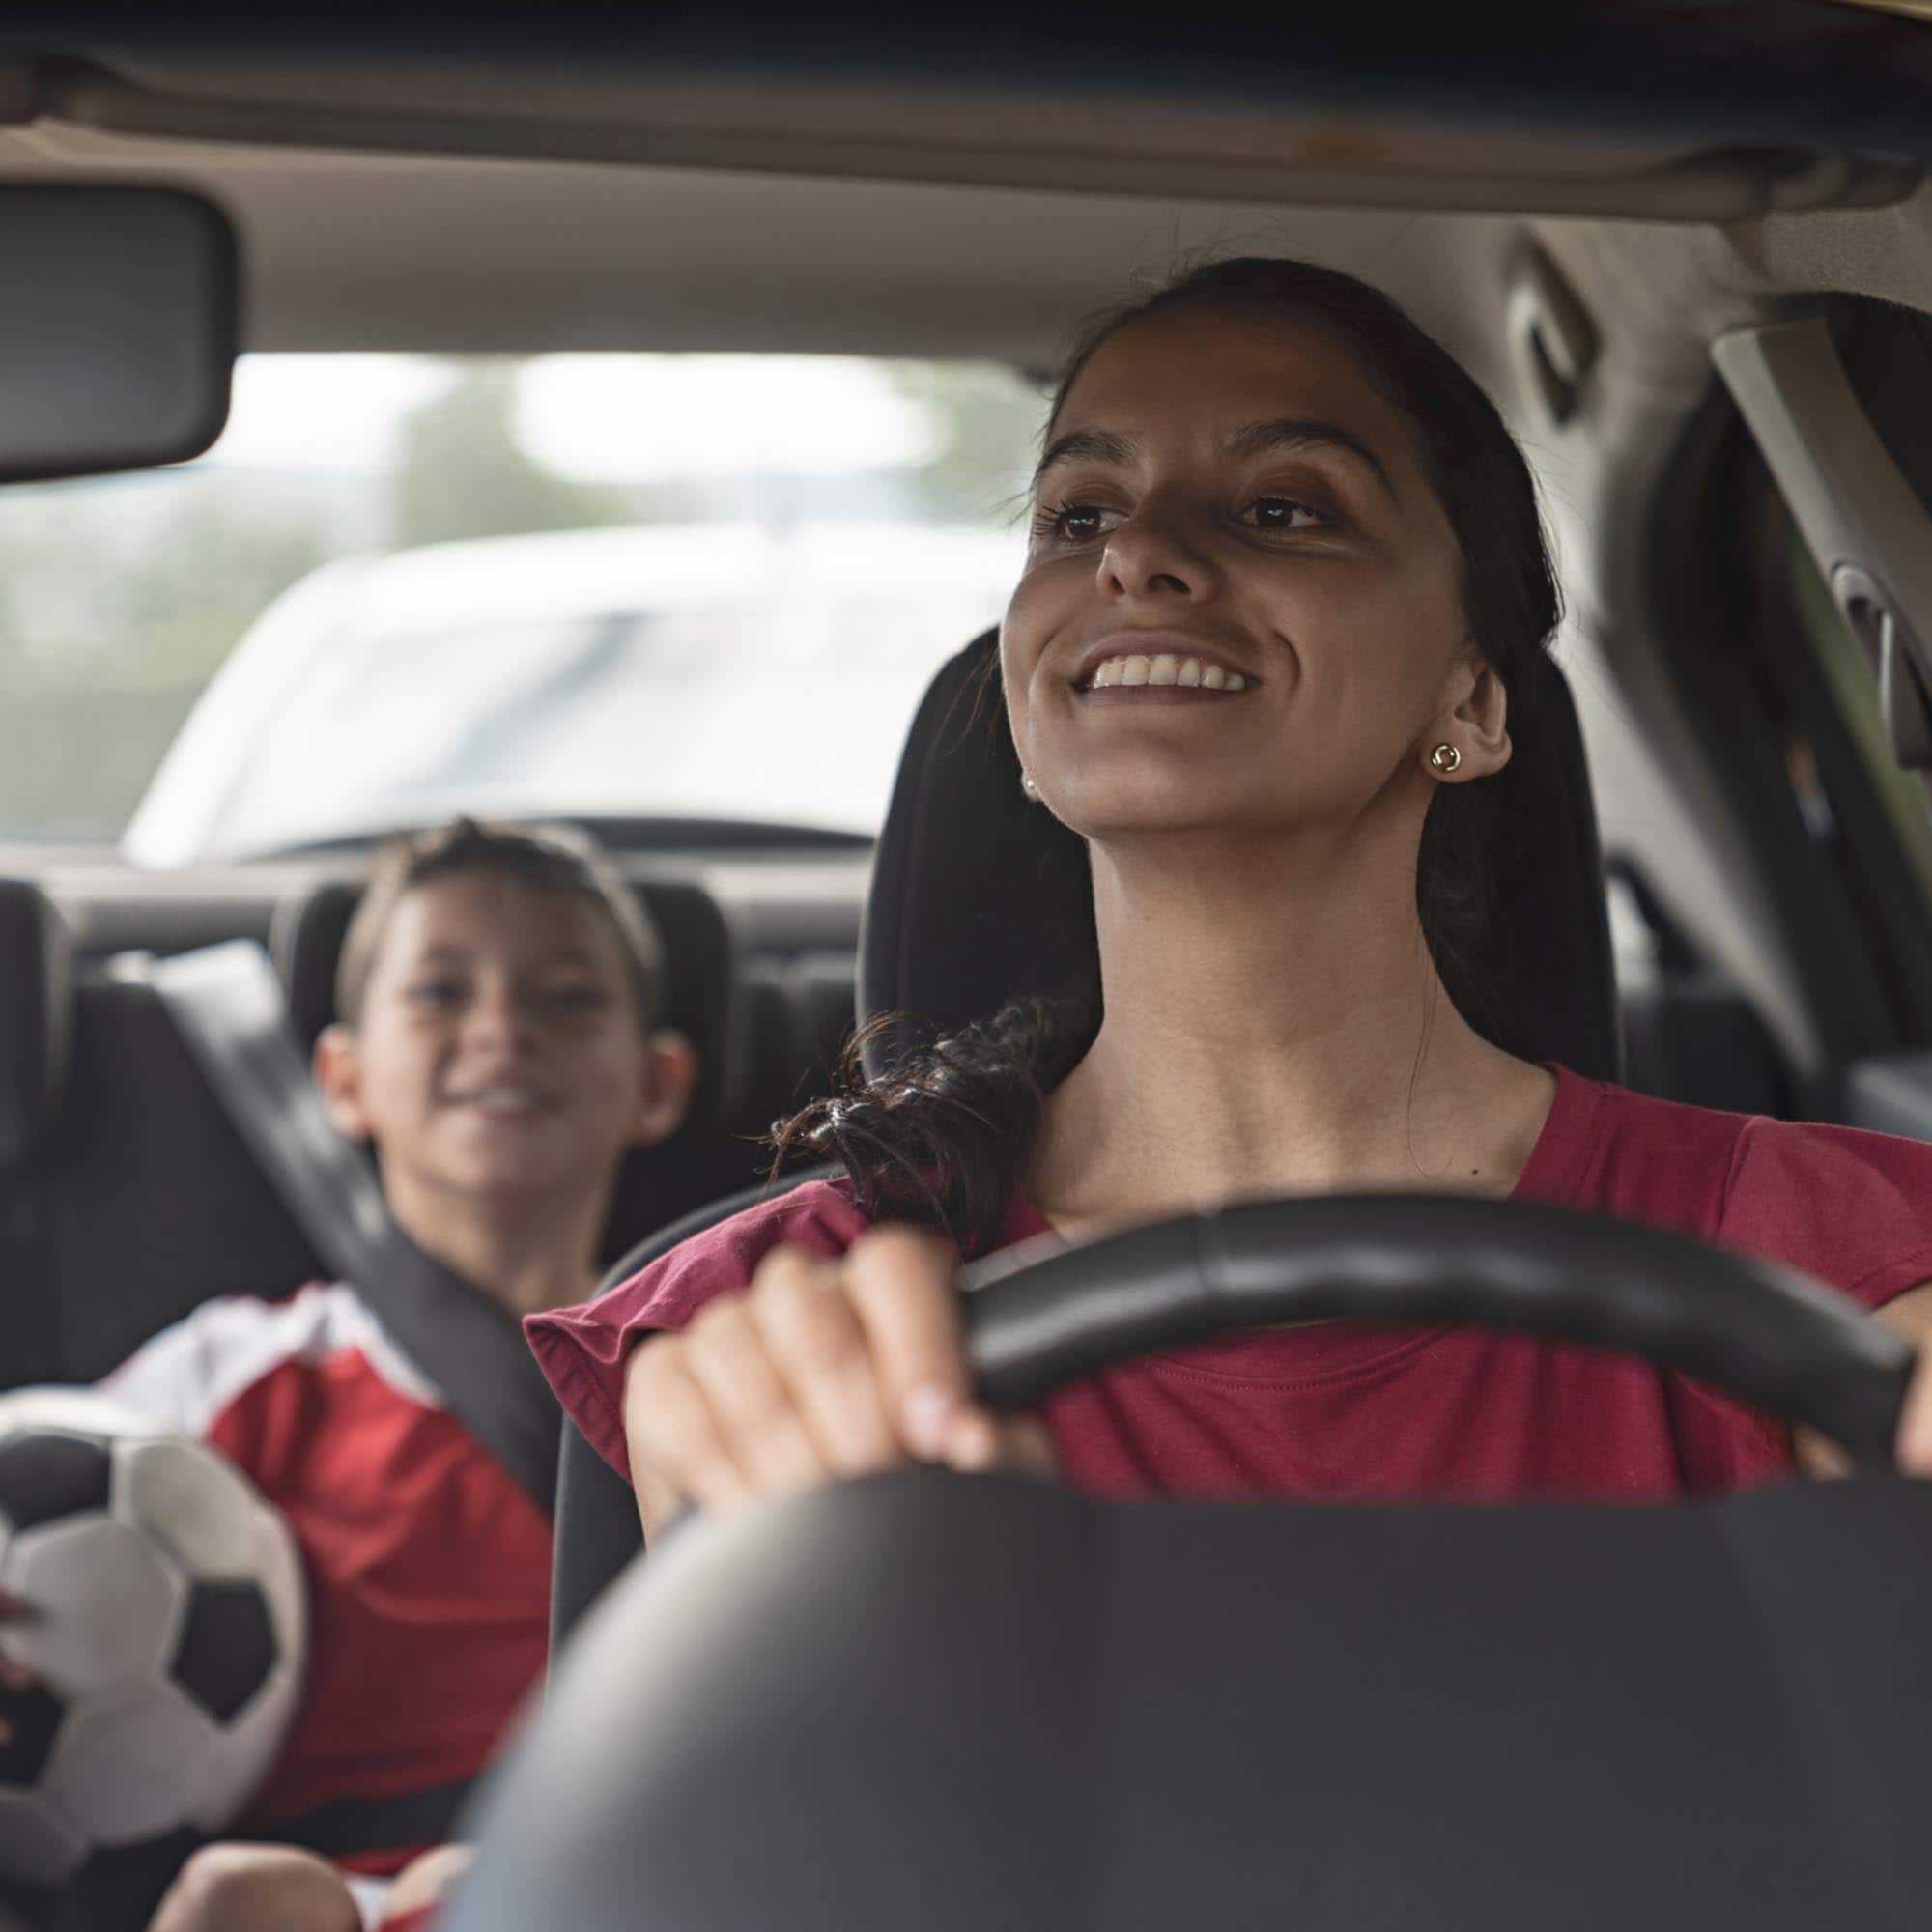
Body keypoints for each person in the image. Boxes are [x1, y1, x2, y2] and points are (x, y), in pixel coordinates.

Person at [525, 255, 1932, 1544]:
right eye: (1080, 514)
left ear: (1472, 697)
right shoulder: (782, 1340)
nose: (1135, 557)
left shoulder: (1833, 1271)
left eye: (1283, 508)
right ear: (1025, 715)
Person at [6, 820, 696, 1932]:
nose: (501, 1029)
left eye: (565, 1000)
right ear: (343, 1078)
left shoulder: (702, 1371)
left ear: (657, 1083)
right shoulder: (238, 1375)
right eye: (437, 993)